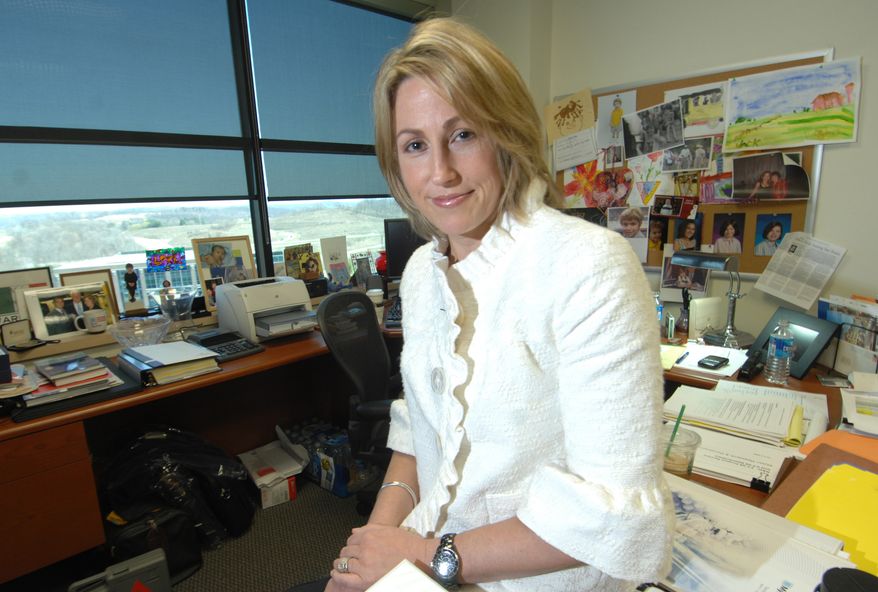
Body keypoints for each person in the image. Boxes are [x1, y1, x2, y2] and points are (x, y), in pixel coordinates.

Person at [321, 18, 673, 592]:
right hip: (427, 559)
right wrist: (364, 555)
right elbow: (420, 431)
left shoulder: (587, 264)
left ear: (506, 133)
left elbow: (615, 519)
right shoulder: (420, 273)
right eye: (415, 146)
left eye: (463, 135)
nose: (441, 172)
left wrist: (420, 553)